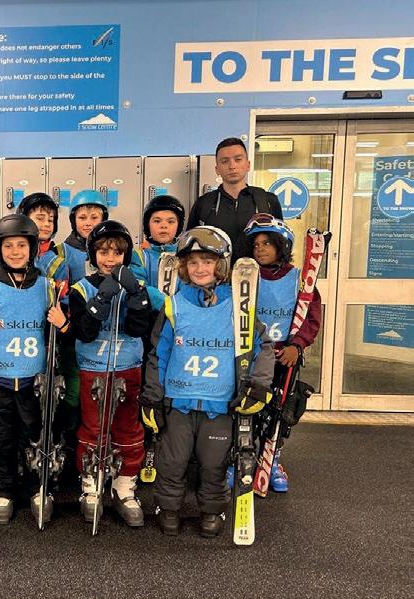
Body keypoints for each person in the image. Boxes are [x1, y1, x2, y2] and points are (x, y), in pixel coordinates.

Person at [139, 226, 274, 538]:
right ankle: (168, 507)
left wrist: (257, 386)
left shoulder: (239, 307)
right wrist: (152, 396)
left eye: (208, 262)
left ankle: (213, 509)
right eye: (193, 263)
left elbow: (263, 348)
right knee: (172, 461)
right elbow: (158, 353)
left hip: (219, 404)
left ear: (221, 265)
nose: (200, 268)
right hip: (178, 402)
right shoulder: (174, 305)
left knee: (214, 463)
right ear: (184, 267)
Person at [0, 214, 67, 525]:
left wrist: (63, 324)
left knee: (35, 435)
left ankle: (38, 487)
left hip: (33, 382)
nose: (15, 252)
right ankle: (2, 490)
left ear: (32, 248)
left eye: (21, 245)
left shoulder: (47, 287)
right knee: (1, 438)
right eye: (8, 246)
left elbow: (59, 335)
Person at [68, 221, 152, 527]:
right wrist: (100, 300)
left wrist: (136, 296)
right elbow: (85, 332)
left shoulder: (136, 286)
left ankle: (124, 486)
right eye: (103, 252)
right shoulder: (81, 288)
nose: (110, 258)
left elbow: (138, 329)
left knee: (128, 429)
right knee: (94, 429)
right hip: (94, 369)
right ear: (93, 254)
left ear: (126, 256)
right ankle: (91, 486)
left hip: (128, 367)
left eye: (117, 252)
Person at [244, 214, 322, 492]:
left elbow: (311, 318)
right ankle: (241, 457)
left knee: (279, 412)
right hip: (252, 355)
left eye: (267, 243)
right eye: (256, 245)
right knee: (247, 408)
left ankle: (272, 459)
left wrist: (297, 345)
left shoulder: (299, 280)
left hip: (284, 355)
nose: (260, 249)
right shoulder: (246, 277)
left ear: (282, 245)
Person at [188, 138, 283, 262]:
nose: (232, 166)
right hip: (216, 274)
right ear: (217, 169)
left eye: (238, 159)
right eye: (225, 161)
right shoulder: (203, 204)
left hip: (260, 273)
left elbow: (280, 246)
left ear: (248, 165)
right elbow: (190, 249)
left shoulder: (268, 201)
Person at [133, 195, 187, 311]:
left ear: (179, 226)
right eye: (157, 221)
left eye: (171, 221)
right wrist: (166, 305)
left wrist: (176, 308)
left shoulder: (186, 257)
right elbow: (138, 284)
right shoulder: (139, 256)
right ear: (147, 225)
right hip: (147, 315)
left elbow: (189, 287)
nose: (164, 226)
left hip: (179, 315)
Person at [17, 193, 67, 285]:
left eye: (50, 220)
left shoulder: (57, 263)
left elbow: (62, 293)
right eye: (40, 218)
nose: (47, 224)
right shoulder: (11, 254)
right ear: (23, 220)